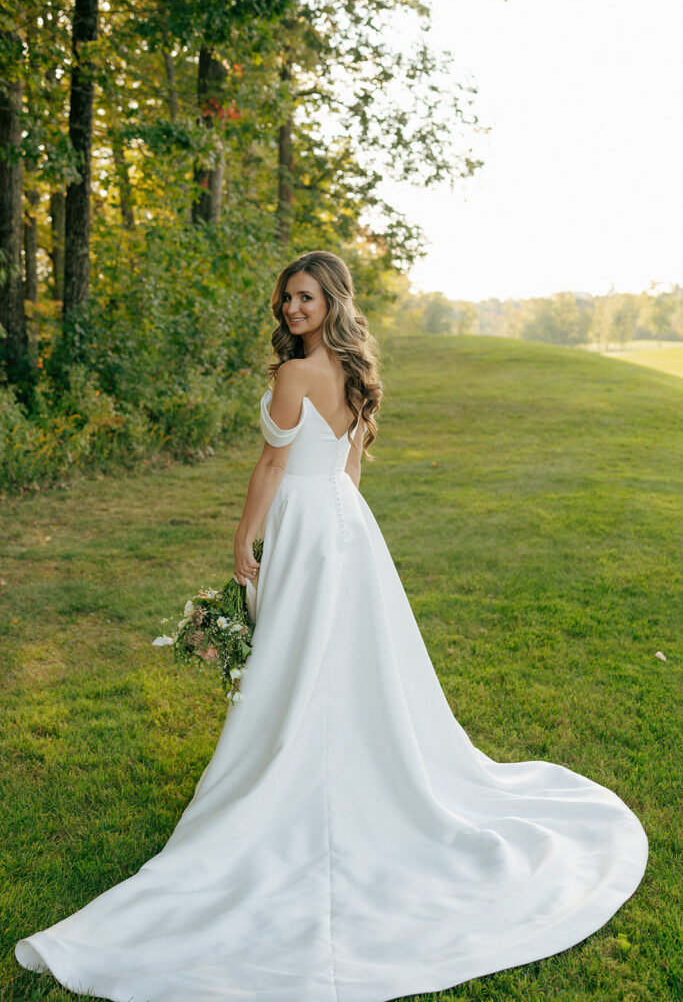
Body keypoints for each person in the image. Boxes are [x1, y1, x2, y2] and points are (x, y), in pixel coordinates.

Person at [16, 251, 647, 1002]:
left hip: (310, 524)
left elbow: (273, 467)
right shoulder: (352, 371)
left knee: (300, 655)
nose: (291, 310)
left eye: (305, 298)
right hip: (345, 525)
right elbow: (350, 465)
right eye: (287, 298)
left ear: (331, 301)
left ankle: (295, 772)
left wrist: (245, 539)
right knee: (345, 657)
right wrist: (338, 521)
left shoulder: (293, 375)